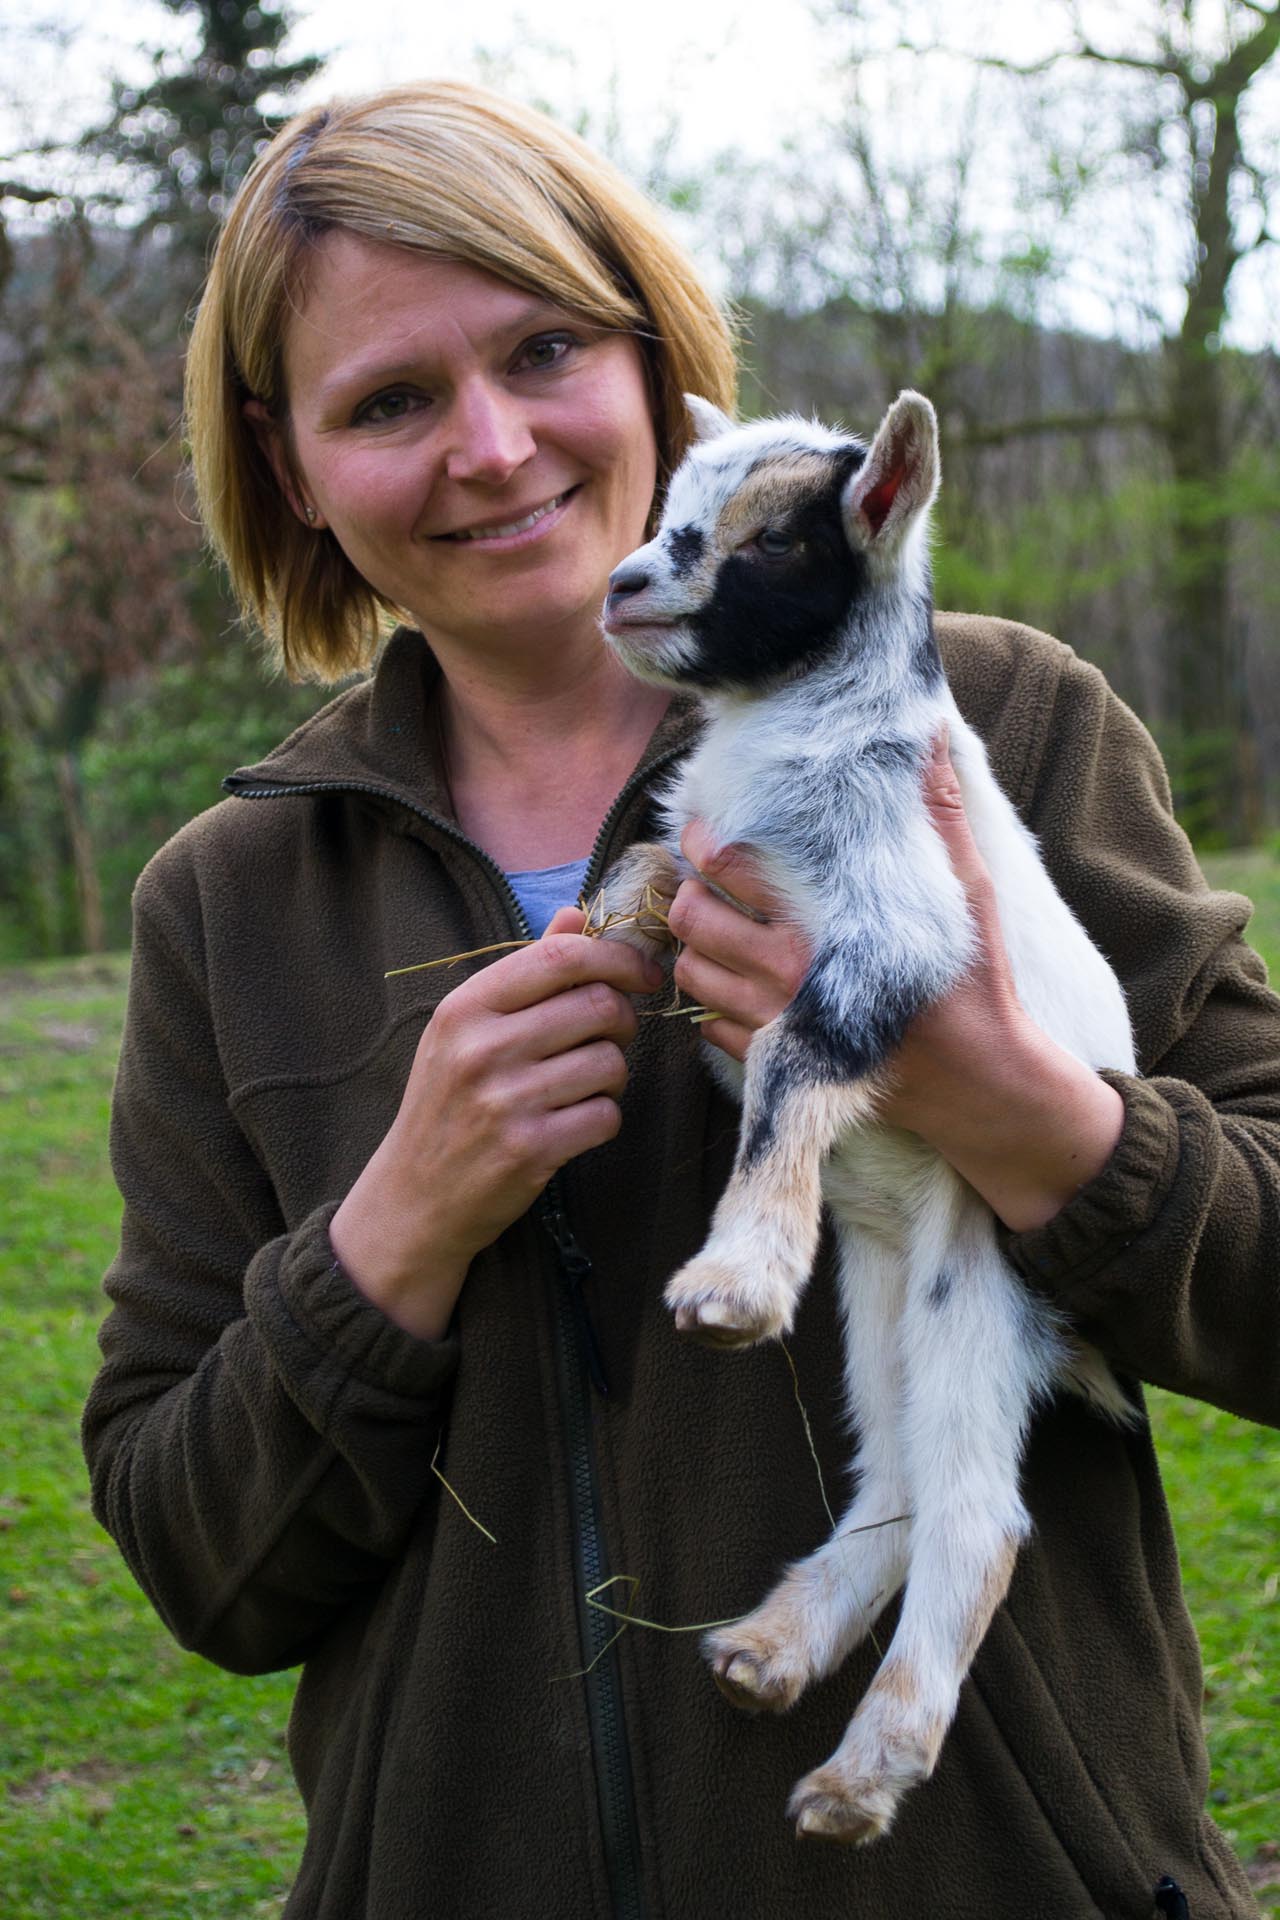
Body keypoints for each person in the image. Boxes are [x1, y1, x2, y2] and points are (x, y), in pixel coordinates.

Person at [81, 80, 1280, 1920]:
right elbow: (199, 1561)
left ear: (651, 361)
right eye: (389, 400)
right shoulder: (234, 906)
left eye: (544, 346)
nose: (489, 448)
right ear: (293, 460)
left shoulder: (1004, 731)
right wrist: (391, 1229)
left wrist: (1013, 1105)